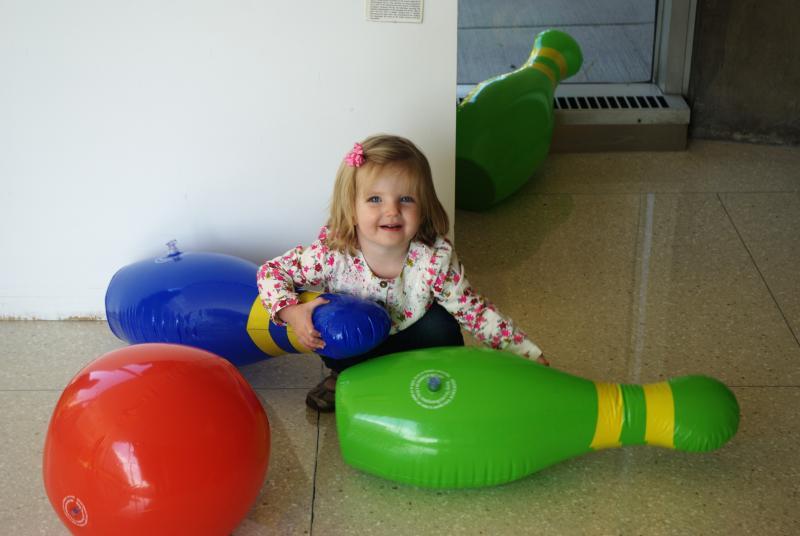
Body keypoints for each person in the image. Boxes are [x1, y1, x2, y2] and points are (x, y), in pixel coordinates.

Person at [257, 134, 548, 411]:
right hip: (358, 340)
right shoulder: (333, 254)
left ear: (424, 207)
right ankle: (343, 378)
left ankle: (430, 380)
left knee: (442, 325)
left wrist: (526, 356)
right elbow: (272, 271)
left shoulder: (433, 259)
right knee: (332, 321)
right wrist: (292, 313)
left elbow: (475, 311)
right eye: (375, 200)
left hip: (413, 338)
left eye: (406, 199)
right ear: (351, 208)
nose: (392, 210)